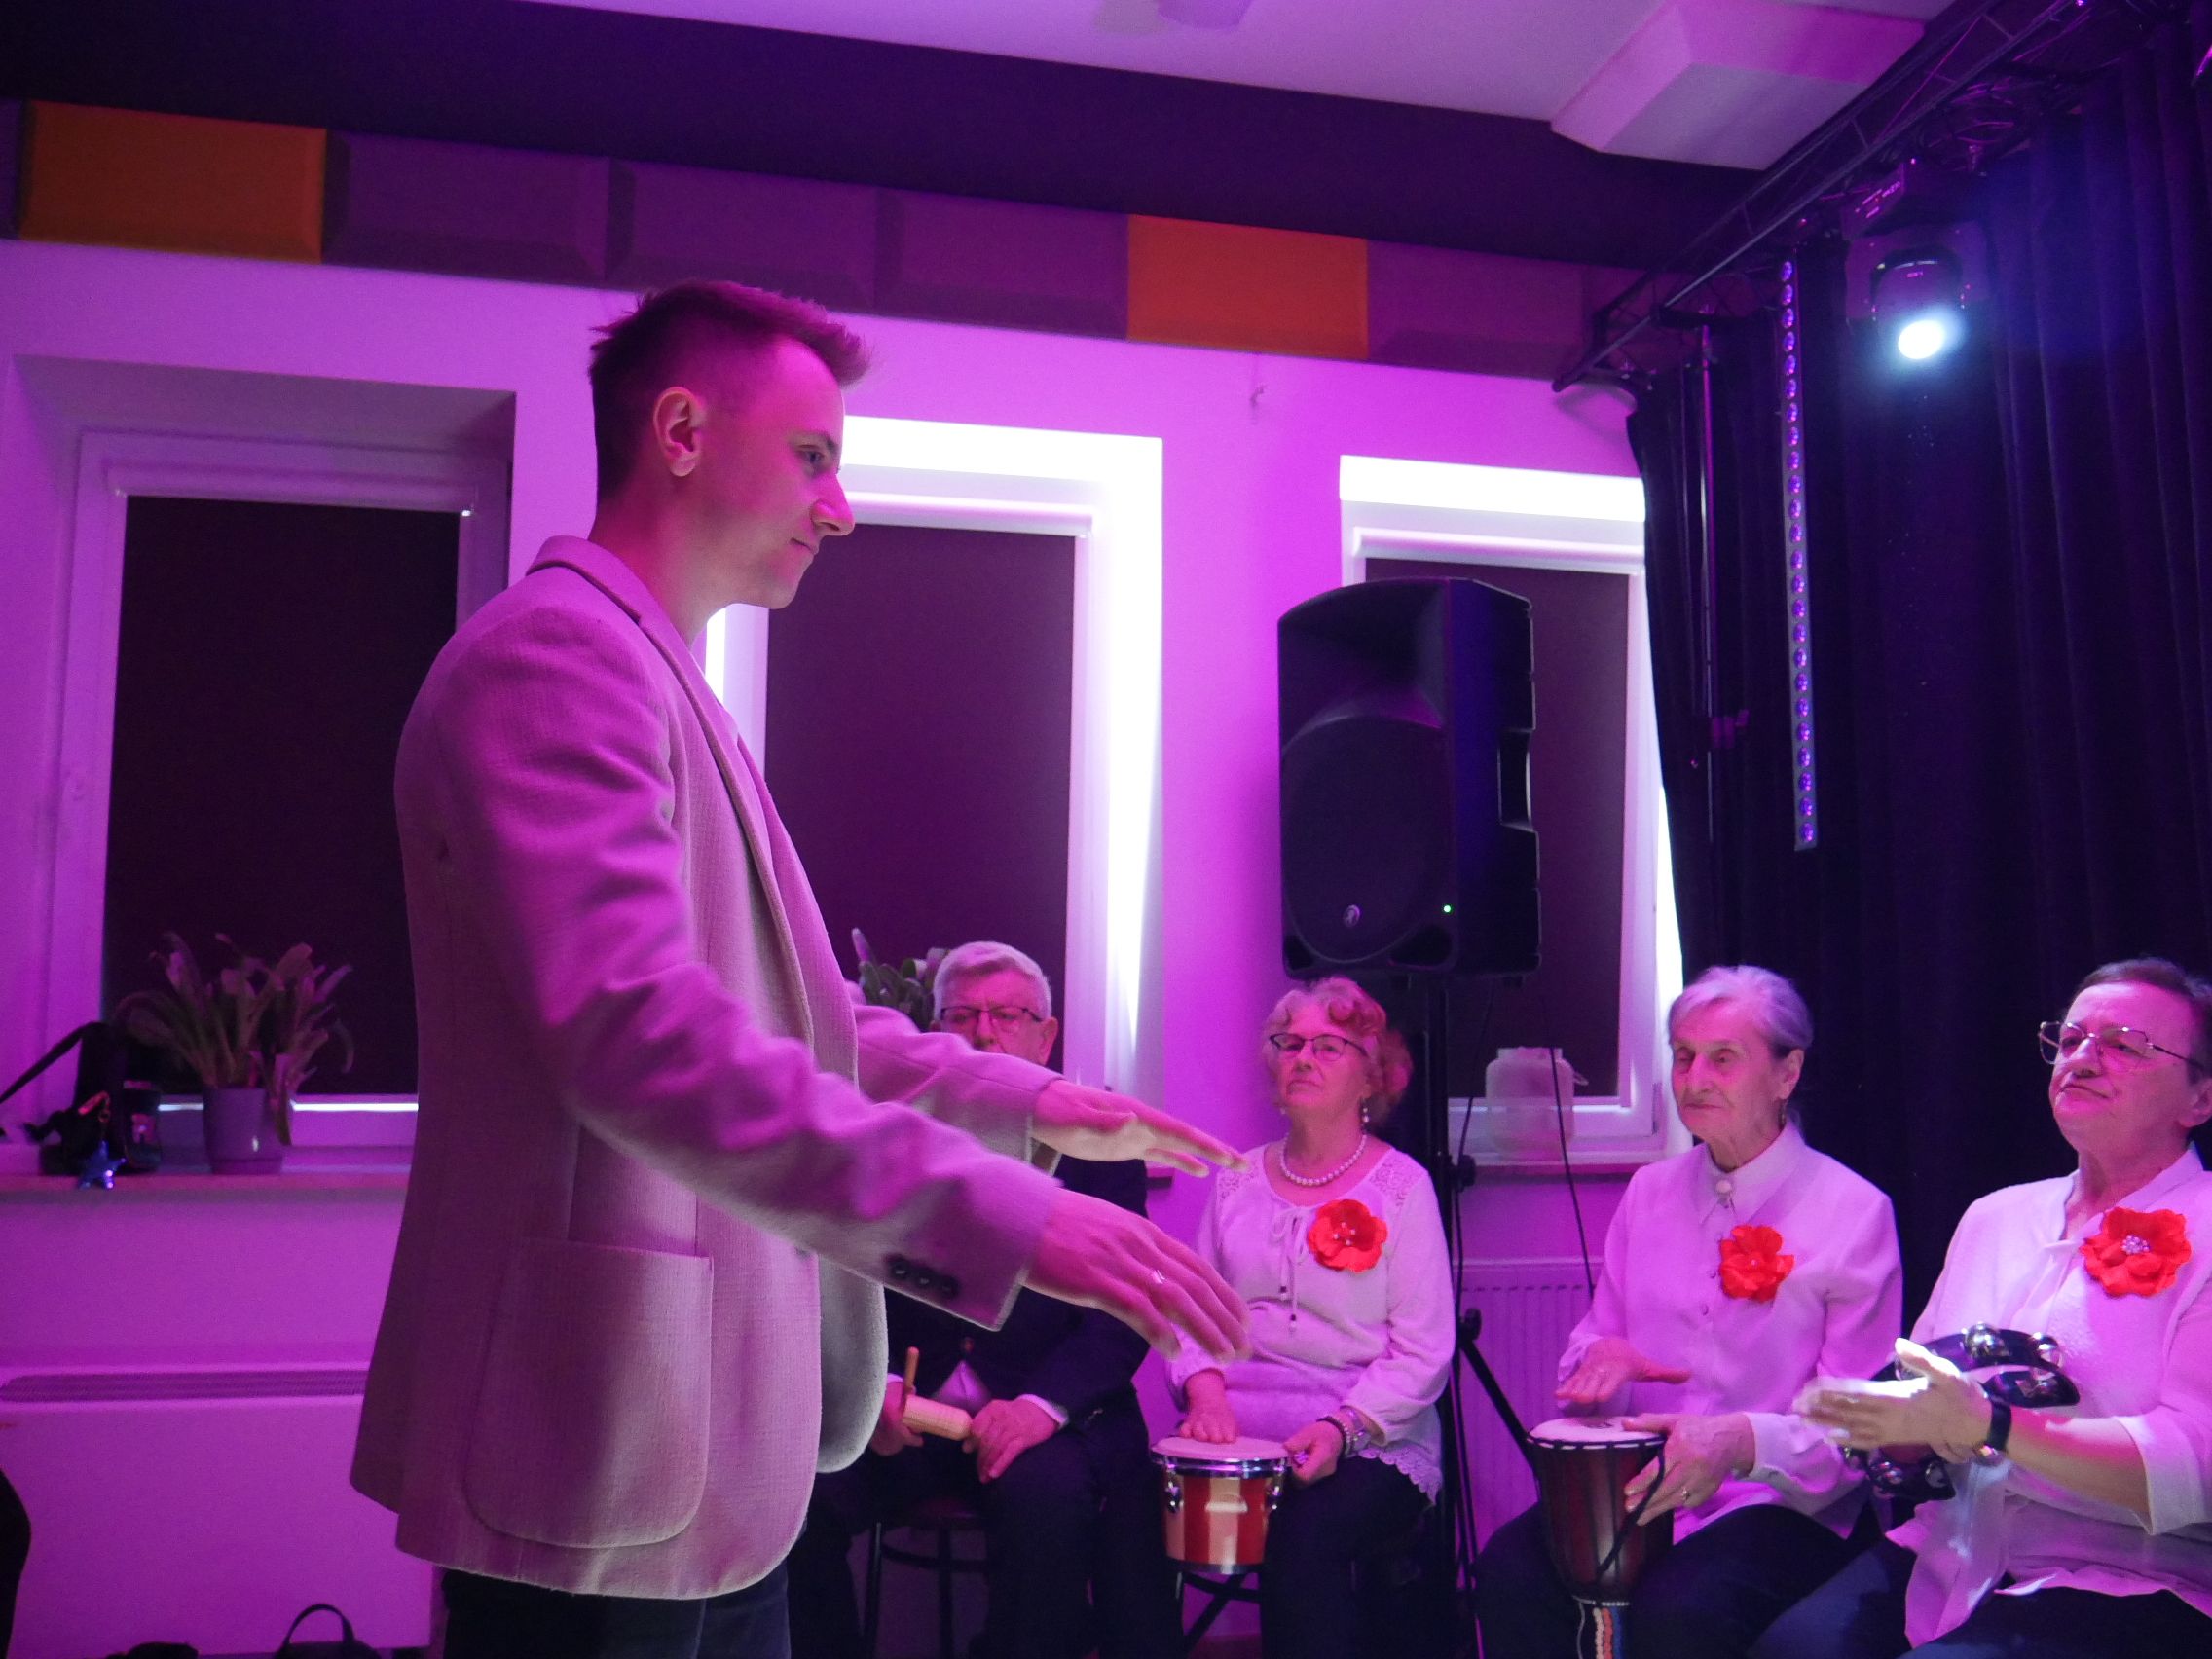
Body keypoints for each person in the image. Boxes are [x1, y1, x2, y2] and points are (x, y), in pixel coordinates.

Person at [350, 281, 1246, 1659]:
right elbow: (643, 1038)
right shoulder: (558, 660)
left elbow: (795, 1019)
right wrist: (1003, 1218)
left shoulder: (659, 678)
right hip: (601, 1426)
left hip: (704, 1451)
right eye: (816, 457)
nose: (841, 508)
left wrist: (1029, 1103)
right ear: (681, 433)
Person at [1773, 957, 2212, 1657]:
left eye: (2124, 1045)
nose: (2083, 1059)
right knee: (1792, 1650)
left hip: (2130, 1573)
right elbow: (1926, 1402)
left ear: (2200, 1099)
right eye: (2071, 1040)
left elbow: (2197, 1464)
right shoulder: (1995, 1217)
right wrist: (1893, 1427)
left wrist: (1991, 1423)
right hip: (1955, 1543)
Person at [1476, 964, 1902, 1659]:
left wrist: (1740, 1441)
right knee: (1508, 1571)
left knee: (1681, 1611)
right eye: (1683, 1056)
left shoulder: (1854, 1212)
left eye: (1723, 1059)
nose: (1694, 1079)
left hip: (1779, 1501)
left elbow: (1858, 1431)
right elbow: (1597, 1342)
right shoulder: (1649, 1193)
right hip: (1644, 1486)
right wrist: (1600, 1363)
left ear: (1787, 1074)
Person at [787, 941, 1179, 1659]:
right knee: (797, 1499)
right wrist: (872, 1387)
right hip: (907, 1417)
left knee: (1049, 1504)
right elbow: (837, 1274)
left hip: (1037, 1414)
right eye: (961, 1016)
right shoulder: (889, 1135)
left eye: (1006, 1015)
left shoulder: (1101, 1148)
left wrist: (1039, 1407)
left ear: (1046, 1036)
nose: (983, 1033)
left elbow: (1123, 1313)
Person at [1167, 977, 1454, 1659]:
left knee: (1302, 1536)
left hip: (1370, 1438)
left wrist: (1339, 1429)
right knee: (1126, 1511)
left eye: (1329, 1046)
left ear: (1371, 1076)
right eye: (1290, 1044)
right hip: (1239, 1433)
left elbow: (1424, 1352)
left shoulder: (1403, 1188)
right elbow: (1189, 1311)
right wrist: (1205, 1393)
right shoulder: (1236, 1179)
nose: (1302, 1058)